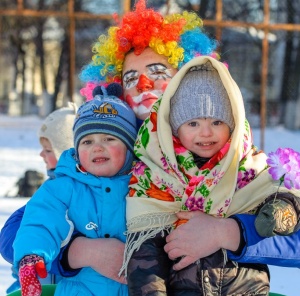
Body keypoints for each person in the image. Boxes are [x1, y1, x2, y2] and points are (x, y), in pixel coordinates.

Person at [60, 0, 300, 280]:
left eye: (158, 73)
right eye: (131, 78)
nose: (144, 85)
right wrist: (81, 251)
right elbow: (20, 229)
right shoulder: (99, 158)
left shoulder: (233, 157)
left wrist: (231, 232)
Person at [121, 56, 300, 296]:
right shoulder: (156, 179)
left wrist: (282, 211)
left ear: (234, 123)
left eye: (217, 121)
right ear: (174, 128)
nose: (206, 133)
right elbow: (145, 258)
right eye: (192, 123)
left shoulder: (252, 168)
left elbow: (283, 198)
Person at [12, 85, 137, 296]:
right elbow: (41, 220)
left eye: (109, 139)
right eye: (87, 141)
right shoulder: (63, 188)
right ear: (76, 151)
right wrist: (31, 255)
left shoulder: (145, 184)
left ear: (129, 148)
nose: (97, 147)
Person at [0, 103, 77, 293]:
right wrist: (16, 289)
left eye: (49, 150)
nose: (41, 154)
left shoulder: (68, 192)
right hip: (38, 285)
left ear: (67, 150)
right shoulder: (50, 189)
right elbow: (14, 238)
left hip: (61, 287)